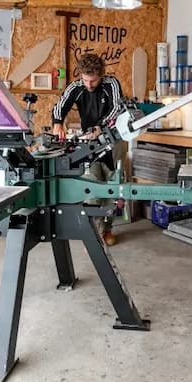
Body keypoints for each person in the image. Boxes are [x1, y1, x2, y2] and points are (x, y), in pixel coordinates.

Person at [52, 53, 125, 246]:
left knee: (112, 185)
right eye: (85, 80)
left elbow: (116, 109)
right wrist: (58, 123)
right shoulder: (76, 87)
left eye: (93, 80)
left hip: (113, 139)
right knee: (91, 184)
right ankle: (93, 230)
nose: (89, 85)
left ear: (101, 75)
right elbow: (61, 105)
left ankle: (107, 229)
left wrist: (100, 126)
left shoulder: (111, 84)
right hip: (89, 143)